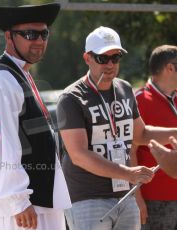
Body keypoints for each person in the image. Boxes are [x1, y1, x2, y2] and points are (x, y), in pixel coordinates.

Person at [57, 26, 177, 230]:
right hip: (87, 198)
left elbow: (141, 134)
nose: (110, 64)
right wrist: (129, 173)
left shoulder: (124, 89)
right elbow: (78, 154)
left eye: (116, 57)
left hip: (125, 194)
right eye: (103, 58)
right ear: (87, 58)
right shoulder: (71, 98)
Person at [0, 3, 71, 230]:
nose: (39, 40)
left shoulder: (19, 73)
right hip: (19, 209)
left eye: (44, 34)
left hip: (35, 204)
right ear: (8, 36)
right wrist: (17, 200)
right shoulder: (0, 81)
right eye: (29, 34)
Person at [130, 45, 177, 229]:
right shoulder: (139, 100)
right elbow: (130, 151)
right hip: (154, 200)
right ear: (170, 68)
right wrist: (137, 197)